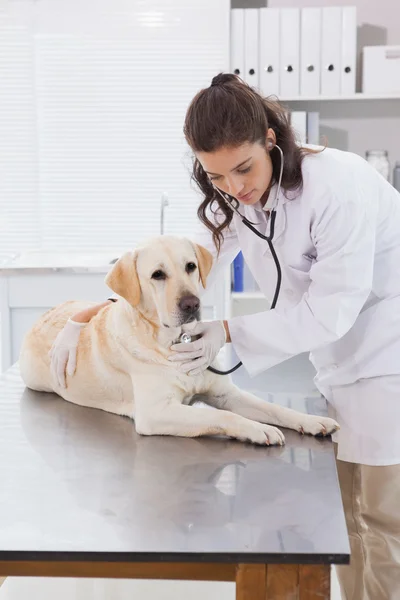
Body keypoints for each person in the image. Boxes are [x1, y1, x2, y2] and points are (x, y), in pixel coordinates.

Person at [49, 73, 400, 599]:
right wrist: (85, 317)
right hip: (338, 362)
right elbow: (169, 270)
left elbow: (331, 310)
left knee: (384, 521)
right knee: (347, 523)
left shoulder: (339, 189)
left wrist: (227, 330)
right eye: (216, 176)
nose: (235, 188)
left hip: (386, 356)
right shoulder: (240, 198)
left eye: (244, 167)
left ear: (271, 140)